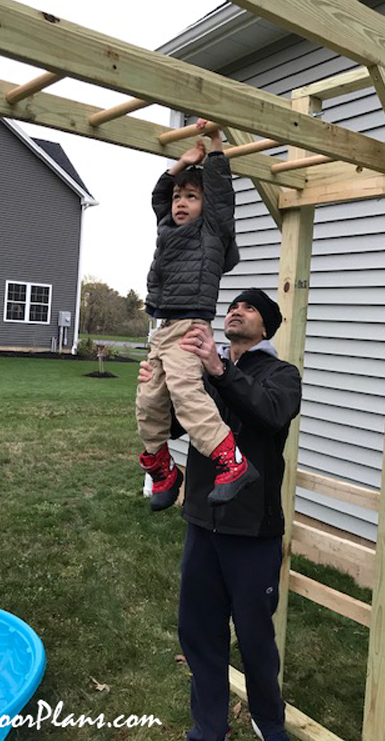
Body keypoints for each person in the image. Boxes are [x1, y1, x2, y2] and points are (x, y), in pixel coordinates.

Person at [139, 288, 301, 741]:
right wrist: (156, 386)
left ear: (265, 326)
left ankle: (269, 722)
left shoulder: (281, 375)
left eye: (249, 308)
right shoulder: (207, 373)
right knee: (199, 633)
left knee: (254, 639)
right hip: (202, 522)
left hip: (252, 530)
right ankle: (208, 727)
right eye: (233, 306)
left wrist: (219, 369)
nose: (236, 310)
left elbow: (269, 414)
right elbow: (177, 424)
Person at [136, 120, 260, 511]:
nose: (180, 203)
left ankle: (231, 460)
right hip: (164, 328)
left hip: (191, 324)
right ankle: (163, 470)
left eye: (191, 196)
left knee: (187, 394)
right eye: (178, 197)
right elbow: (158, 197)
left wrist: (216, 144)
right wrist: (182, 162)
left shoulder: (212, 231)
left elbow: (221, 197)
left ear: (205, 207)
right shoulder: (167, 229)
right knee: (148, 399)